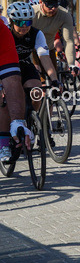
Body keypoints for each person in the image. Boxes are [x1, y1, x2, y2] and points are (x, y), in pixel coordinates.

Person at [0, 2, 53, 160]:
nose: (24, 27)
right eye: (20, 23)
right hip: (5, 65)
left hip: (24, 65)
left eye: (28, 22)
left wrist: (54, 79)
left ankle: (32, 118)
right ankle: (3, 144)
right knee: (4, 101)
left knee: (37, 92)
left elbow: (44, 56)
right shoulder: (6, 32)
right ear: (11, 22)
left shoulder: (36, 33)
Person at [0, 18, 33, 159]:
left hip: (4, 51)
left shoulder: (3, 33)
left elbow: (12, 81)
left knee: (7, 95)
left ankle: (3, 143)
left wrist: (17, 121)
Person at [33, 0, 80, 70]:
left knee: (54, 80)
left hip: (48, 49)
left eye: (55, 5)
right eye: (49, 6)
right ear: (41, 2)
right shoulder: (32, 13)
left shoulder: (64, 14)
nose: (53, 9)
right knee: (37, 79)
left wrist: (71, 64)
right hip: (31, 50)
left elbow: (68, 40)